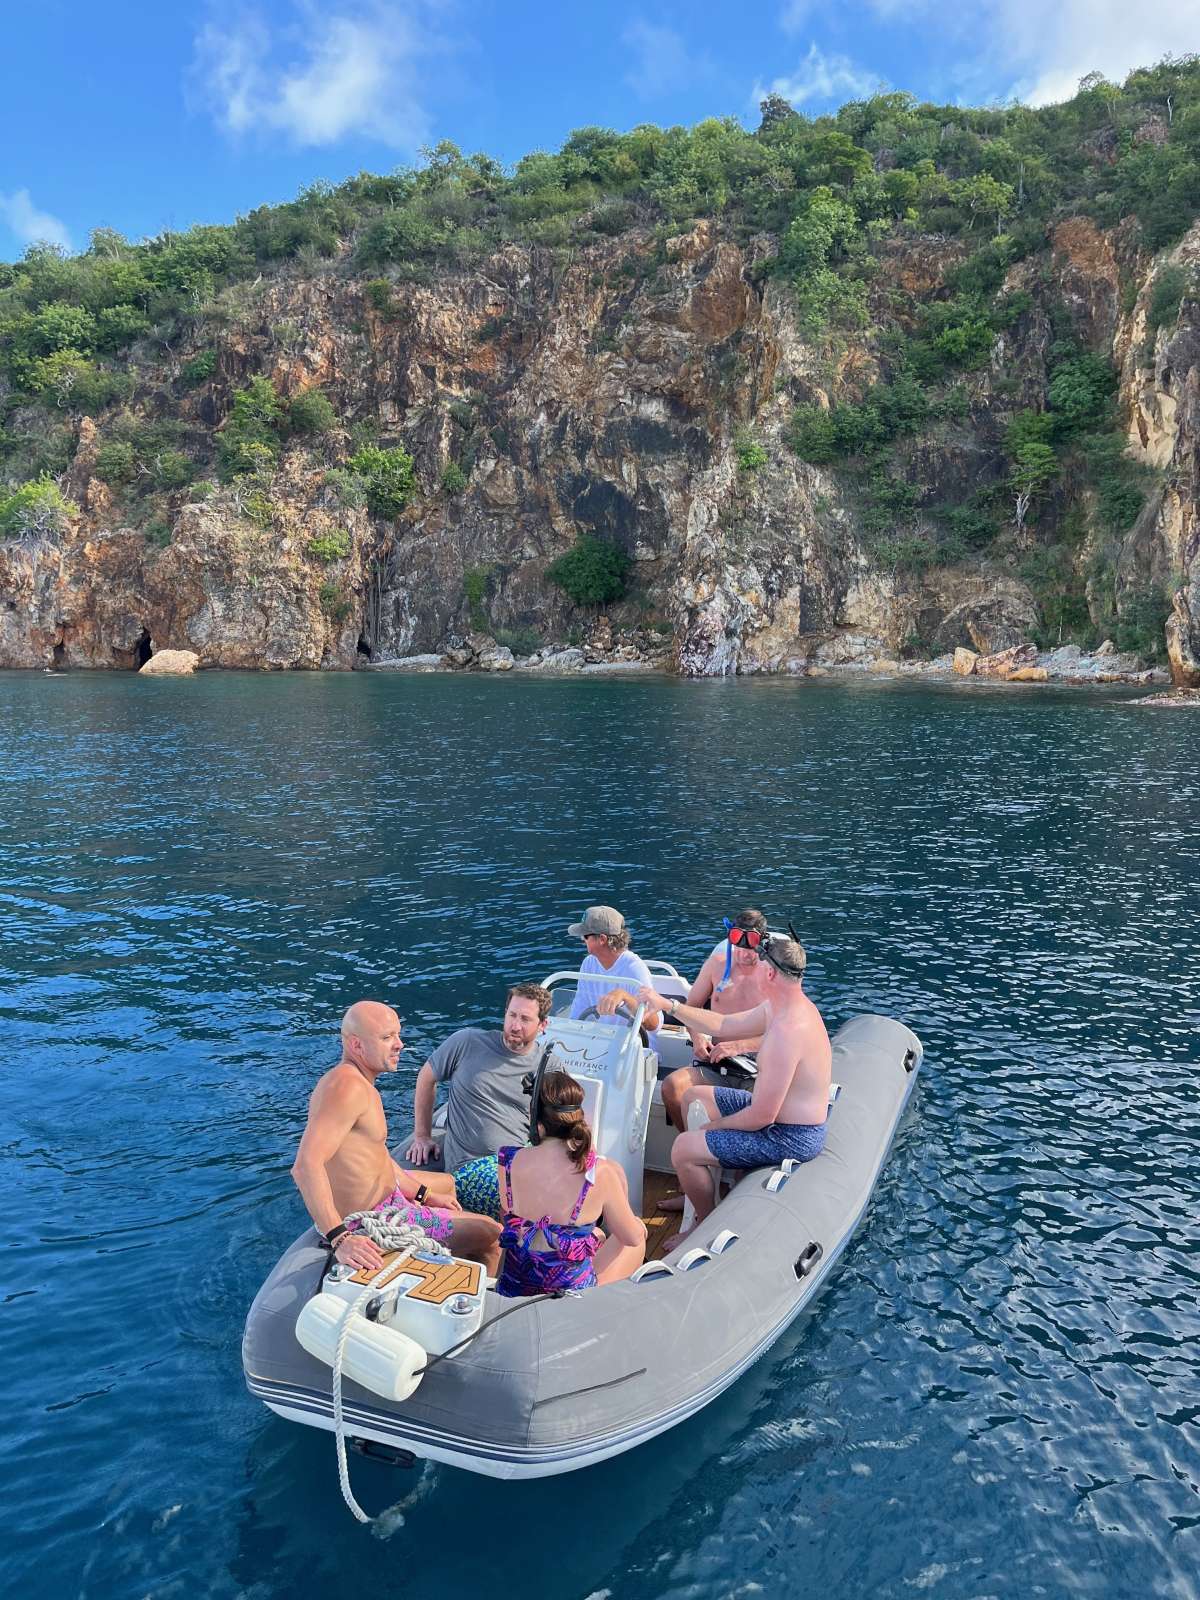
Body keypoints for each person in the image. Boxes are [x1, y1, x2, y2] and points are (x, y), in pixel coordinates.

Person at [638, 934, 831, 1248]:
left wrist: (713, 1128)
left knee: (683, 1148)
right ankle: (701, 1185)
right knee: (692, 1095)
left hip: (790, 1134)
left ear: (770, 973)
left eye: (759, 963)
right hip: (773, 1117)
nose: (752, 966)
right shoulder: (780, 1007)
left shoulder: (788, 1032)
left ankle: (703, 1224)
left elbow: (761, 1117)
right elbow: (723, 1025)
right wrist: (669, 1005)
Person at [291, 1000, 502, 1276]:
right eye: (387, 1037)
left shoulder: (359, 1082)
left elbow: (377, 1157)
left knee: (448, 1185)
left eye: (398, 1035)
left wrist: (424, 1195)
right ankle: (472, 1295)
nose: (400, 1044)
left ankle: (443, 1266)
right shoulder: (346, 1088)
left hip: (391, 1201)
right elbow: (305, 1166)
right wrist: (340, 1238)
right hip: (372, 1219)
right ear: (356, 1045)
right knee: (492, 1234)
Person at [405, 983, 560, 1221]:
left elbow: (562, 1119)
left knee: (579, 1192)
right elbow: (426, 1077)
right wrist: (422, 1136)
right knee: (522, 1199)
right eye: (512, 1015)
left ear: (543, 1025)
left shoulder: (548, 1065)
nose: (515, 1026)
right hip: (471, 1166)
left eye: (525, 1019)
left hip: (521, 1160)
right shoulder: (467, 1042)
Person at [495, 1070, 647, 1297]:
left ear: (537, 1121)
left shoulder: (507, 1159)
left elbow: (507, 1217)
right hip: (569, 1297)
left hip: (514, 1290)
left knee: (596, 1235)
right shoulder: (599, 1172)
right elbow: (631, 1237)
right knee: (637, 1234)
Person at [661, 908, 772, 1134]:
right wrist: (697, 1037)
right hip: (717, 1063)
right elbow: (690, 1008)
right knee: (672, 1087)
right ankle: (690, 1142)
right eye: (738, 946)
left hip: (758, 1070)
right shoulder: (716, 966)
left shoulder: (773, 975)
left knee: (758, 1112)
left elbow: (787, 1031)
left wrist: (740, 1046)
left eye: (751, 947)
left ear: (762, 943)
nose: (744, 954)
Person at [567, 905, 663, 1037]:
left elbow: (654, 1024)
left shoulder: (634, 968)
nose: (582, 940)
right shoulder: (588, 964)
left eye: (585, 936)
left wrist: (626, 997)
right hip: (603, 1040)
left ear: (602, 939)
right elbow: (579, 1010)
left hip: (635, 1045)